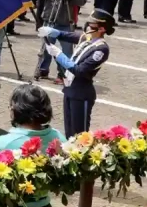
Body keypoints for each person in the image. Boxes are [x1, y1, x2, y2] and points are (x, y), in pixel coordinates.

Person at [38, 8, 114, 137]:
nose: (88, 26)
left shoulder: (101, 48)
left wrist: (59, 55)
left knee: (79, 135)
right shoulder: (88, 37)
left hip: (81, 93)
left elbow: (80, 70)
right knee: (69, 133)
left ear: (101, 29)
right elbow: (67, 35)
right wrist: (52, 31)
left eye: (92, 24)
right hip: (69, 89)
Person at [35, 0, 87, 84]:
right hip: (50, 20)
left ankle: (62, 73)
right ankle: (43, 69)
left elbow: (82, 0)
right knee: (46, 48)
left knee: (67, 51)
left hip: (66, 22)